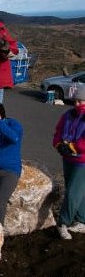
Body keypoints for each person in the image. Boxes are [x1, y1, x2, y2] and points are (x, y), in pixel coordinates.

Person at [53, 85, 85, 240]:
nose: (77, 104)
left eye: (81, 101)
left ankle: (62, 222)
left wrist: (72, 146)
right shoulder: (68, 115)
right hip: (68, 158)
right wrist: (59, 144)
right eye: (76, 101)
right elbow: (58, 131)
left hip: (82, 160)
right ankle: (81, 220)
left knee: (73, 193)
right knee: (77, 191)